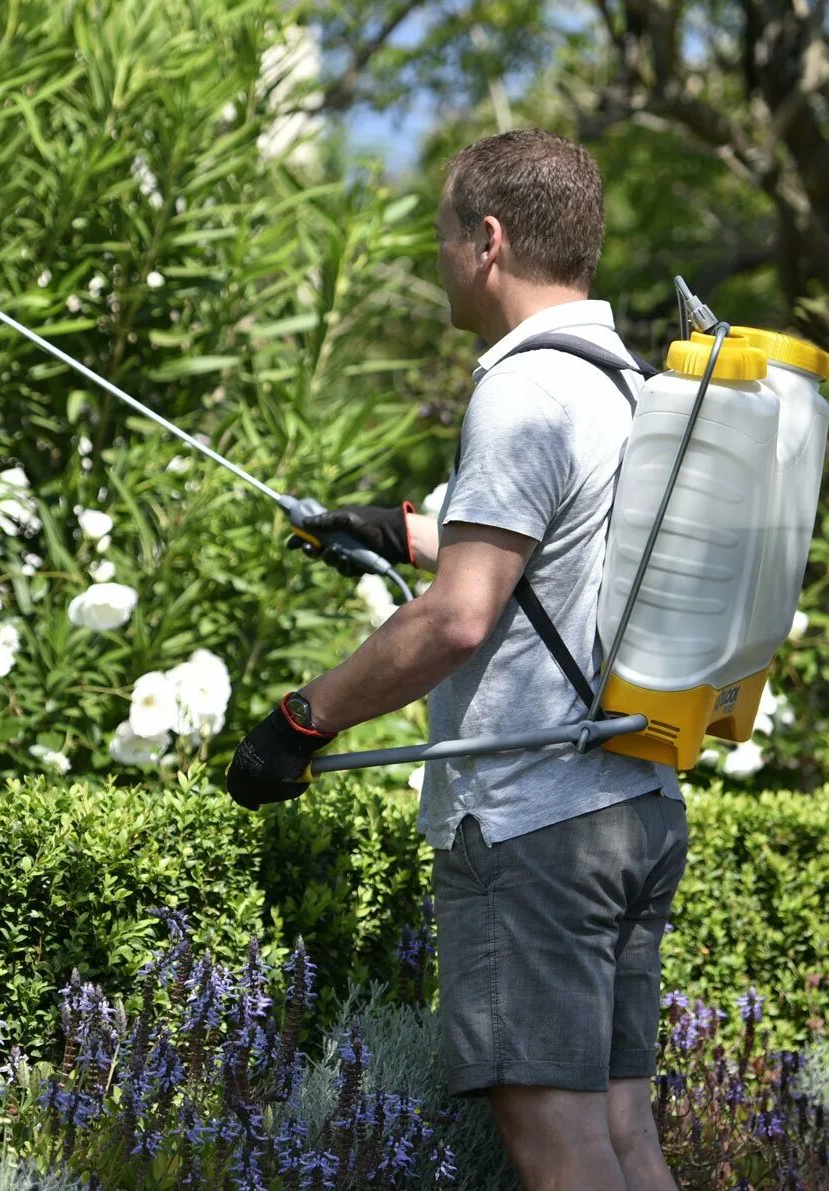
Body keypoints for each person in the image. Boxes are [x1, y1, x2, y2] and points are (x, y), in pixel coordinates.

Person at [224, 128, 686, 1191]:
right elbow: (559, 554)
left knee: (558, 1146)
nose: (435, 257)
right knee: (622, 1134)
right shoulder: (623, 385)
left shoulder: (522, 390)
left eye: (440, 235)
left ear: (485, 240)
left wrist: (301, 722)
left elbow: (457, 620)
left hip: (538, 825)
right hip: (632, 804)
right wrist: (399, 532)